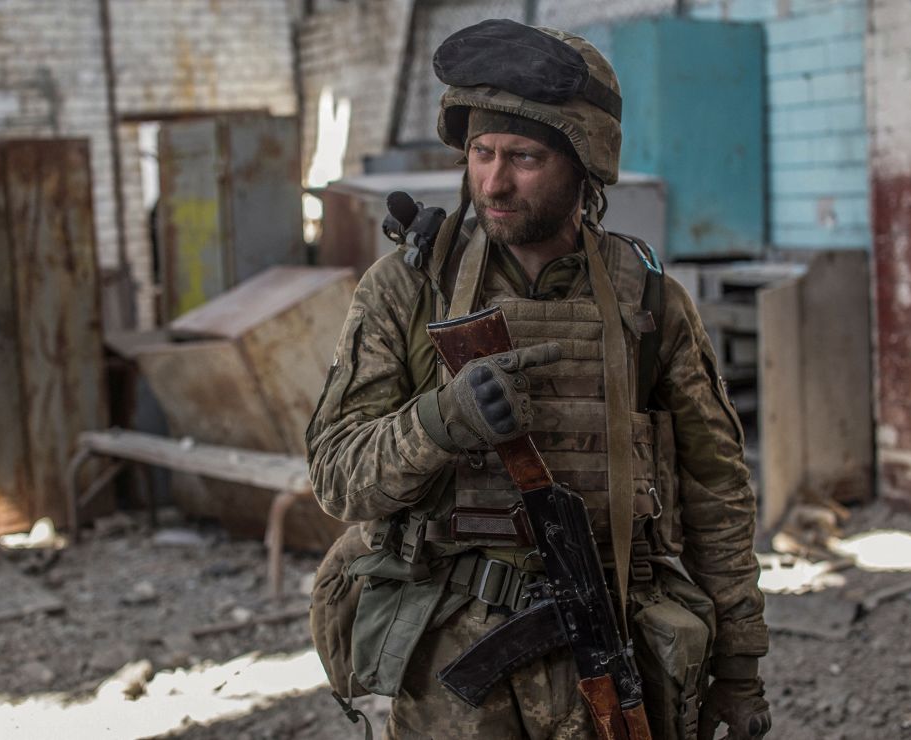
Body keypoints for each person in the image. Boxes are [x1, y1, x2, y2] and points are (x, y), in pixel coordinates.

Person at [307, 19, 770, 740]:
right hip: (450, 670)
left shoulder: (647, 304)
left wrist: (739, 670)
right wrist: (439, 422)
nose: (493, 180)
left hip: (611, 644)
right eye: (481, 153)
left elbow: (719, 496)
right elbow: (336, 477)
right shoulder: (407, 291)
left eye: (524, 157)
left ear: (583, 164)